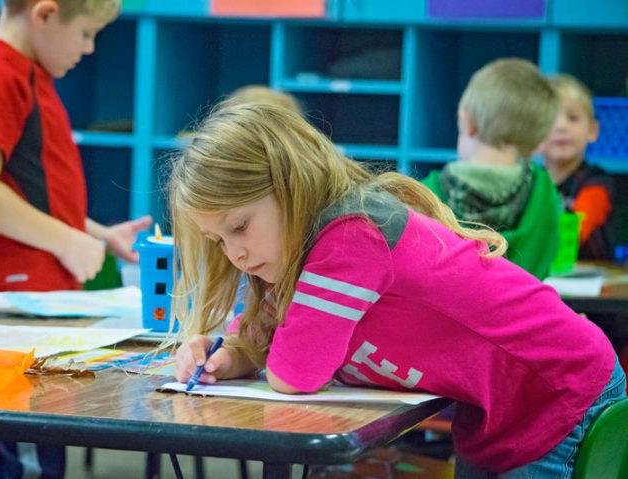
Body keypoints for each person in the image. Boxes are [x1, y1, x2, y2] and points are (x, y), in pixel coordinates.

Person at [169, 101, 625, 478]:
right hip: (507, 411)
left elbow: (295, 373)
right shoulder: (301, 251)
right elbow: (270, 337)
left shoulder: (350, 236)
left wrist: (263, 352)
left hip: (559, 396)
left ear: (291, 184)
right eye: (218, 241)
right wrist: (233, 355)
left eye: (240, 227)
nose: (236, 255)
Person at [0, 0, 150, 477]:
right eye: (86, 34)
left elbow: (31, 196)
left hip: (39, 305)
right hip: (12, 310)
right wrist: (66, 242)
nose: (88, 49)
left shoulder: (28, 71)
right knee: (21, 460)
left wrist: (98, 236)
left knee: (41, 452)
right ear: (44, 14)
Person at [422, 58, 561, 280]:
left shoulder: (426, 194)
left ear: (467, 123)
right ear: (536, 144)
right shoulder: (543, 191)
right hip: (521, 313)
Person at [542, 74, 615, 260]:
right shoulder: (530, 181)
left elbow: (574, 233)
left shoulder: (597, 183)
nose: (560, 127)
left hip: (593, 283)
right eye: (550, 119)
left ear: (592, 131)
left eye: (573, 118)